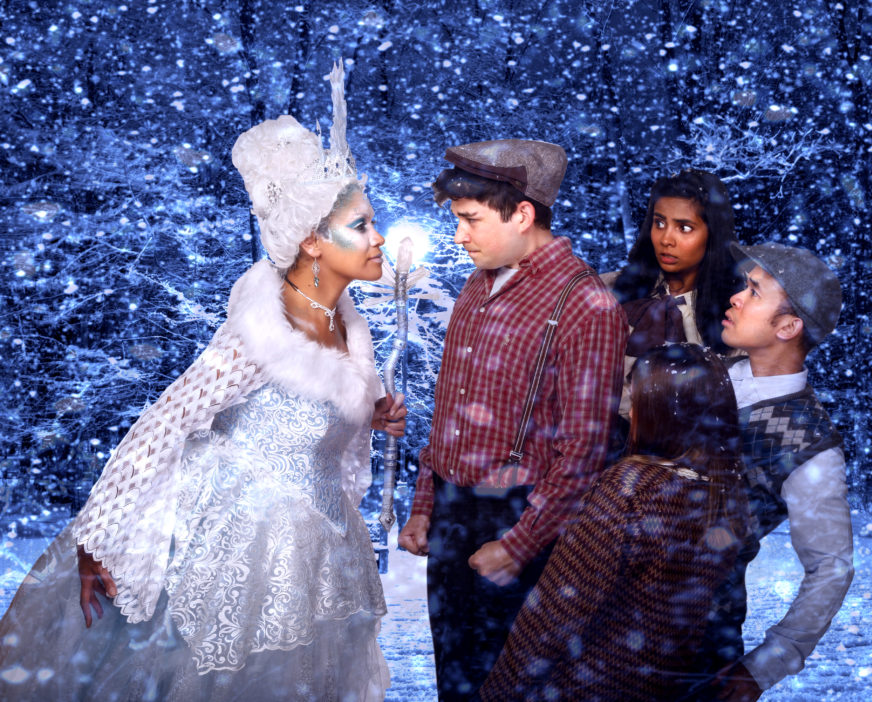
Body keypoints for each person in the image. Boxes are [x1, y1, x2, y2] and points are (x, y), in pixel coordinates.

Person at [0, 63, 403, 701]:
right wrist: (98, 537)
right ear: (311, 242)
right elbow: (163, 423)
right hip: (235, 549)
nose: (379, 239)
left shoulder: (349, 329)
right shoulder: (259, 333)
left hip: (321, 549)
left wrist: (368, 414)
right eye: (361, 226)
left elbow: (314, 422)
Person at [397, 138, 628, 700]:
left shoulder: (585, 303)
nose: (459, 236)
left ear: (523, 214)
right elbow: (450, 409)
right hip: (453, 512)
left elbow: (583, 454)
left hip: (521, 520)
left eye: (471, 220)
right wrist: (426, 505)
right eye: (457, 220)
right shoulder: (476, 286)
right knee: (454, 679)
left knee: (510, 686)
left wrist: (520, 545)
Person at [479, 343, 751, 701]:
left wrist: (497, 692)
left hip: (585, 686)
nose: (629, 409)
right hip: (656, 686)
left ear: (660, 410)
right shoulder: (726, 491)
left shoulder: (631, 488)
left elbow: (555, 614)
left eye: (636, 398)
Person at [697, 242, 854, 701]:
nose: (736, 298)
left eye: (754, 291)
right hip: (607, 610)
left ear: (788, 326)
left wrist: (766, 665)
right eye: (743, 286)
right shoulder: (707, 371)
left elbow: (831, 566)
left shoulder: (809, 443)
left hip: (700, 631)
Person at [605, 170, 741, 453]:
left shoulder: (736, 309)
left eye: (685, 228)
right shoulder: (612, 291)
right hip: (612, 455)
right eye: (659, 223)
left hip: (704, 463)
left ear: (712, 235)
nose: (666, 239)